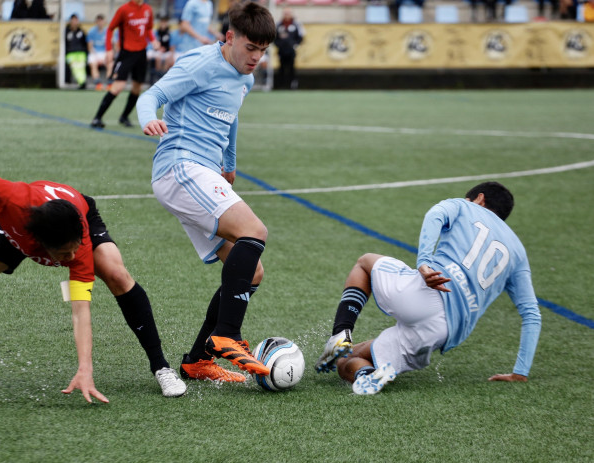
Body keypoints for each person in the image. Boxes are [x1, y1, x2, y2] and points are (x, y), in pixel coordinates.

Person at [0, 161, 187, 400]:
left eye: (74, 250)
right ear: (40, 246)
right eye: (63, 254)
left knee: (117, 275)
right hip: (22, 228)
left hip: (78, 212)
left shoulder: (79, 244)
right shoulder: (11, 201)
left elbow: (80, 310)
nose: (71, 257)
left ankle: (161, 367)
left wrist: (85, 368)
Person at [136, 2, 277, 383]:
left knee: (252, 272)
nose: (256, 58)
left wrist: (229, 163)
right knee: (255, 231)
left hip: (201, 173)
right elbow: (151, 95)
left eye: (263, 51)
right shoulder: (199, 64)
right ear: (229, 37)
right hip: (179, 167)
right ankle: (227, 336)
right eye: (250, 48)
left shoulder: (244, 79)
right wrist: (149, 118)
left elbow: (230, 120)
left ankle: (197, 361)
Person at [315, 182, 542, 395]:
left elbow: (435, 214)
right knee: (346, 362)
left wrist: (423, 263)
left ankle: (341, 333)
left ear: (479, 199)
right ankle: (368, 375)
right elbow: (531, 313)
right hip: (444, 330)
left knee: (365, 262)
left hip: (428, 290)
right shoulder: (518, 252)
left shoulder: (464, 206)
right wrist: (520, 372)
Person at [89, 0, 159, 129]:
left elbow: (148, 29)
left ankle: (124, 116)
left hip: (141, 54)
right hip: (126, 54)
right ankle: (97, 118)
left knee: (137, 87)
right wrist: (109, 49)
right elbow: (110, 29)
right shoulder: (124, 9)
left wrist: (153, 40)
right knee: (118, 87)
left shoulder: (148, 10)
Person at [274, 8, 303, 90]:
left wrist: (295, 45)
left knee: (292, 68)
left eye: (288, 13)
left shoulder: (296, 24)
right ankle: (281, 85)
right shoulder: (279, 25)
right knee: (281, 68)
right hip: (281, 51)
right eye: (285, 13)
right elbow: (274, 38)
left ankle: (293, 85)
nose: (286, 15)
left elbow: (300, 37)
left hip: (291, 51)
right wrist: (279, 45)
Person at [86, 14, 111, 91]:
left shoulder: (108, 31)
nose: (100, 22)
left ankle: (110, 83)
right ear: (96, 22)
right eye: (98, 21)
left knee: (110, 63)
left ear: (104, 22)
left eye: (101, 20)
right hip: (95, 52)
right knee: (93, 63)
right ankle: (98, 84)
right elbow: (90, 47)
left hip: (104, 52)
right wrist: (97, 57)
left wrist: (106, 55)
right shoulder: (91, 32)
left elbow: (109, 46)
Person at [65, 14, 89, 89]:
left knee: (81, 66)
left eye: (76, 20)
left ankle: (82, 82)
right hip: (70, 54)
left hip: (81, 53)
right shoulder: (66, 31)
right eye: (73, 20)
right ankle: (82, 82)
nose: (74, 22)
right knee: (75, 67)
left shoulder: (81, 31)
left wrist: (85, 52)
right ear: (70, 21)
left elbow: (85, 43)